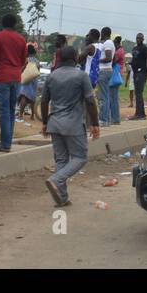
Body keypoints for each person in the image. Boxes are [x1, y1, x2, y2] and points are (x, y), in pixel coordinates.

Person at [41, 45, 100, 207]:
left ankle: (62, 197)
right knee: (80, 157)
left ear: (59, 58)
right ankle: (56, 179)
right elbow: (90, 101)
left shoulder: (51, 76)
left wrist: (45, 122)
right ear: (75, 58)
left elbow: (44, 100)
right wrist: (95, 123)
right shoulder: (81, 76)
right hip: (73, 124)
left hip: (54, 123)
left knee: (61, 159)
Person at [0, 13, 28, 152]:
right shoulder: (21, 39)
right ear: (15, 24)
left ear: (2, 23)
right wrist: (17, 71)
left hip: (1, 78)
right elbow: (24, 61)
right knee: (11, 111)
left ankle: (5, 144)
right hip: (16, 78)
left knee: (3, 111)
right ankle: (7, 141)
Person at [128, 33, 147, 119]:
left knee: (138, 93)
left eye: (140, 38)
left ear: (143, 39)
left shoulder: (144, 48)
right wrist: (131, 63)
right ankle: (139, 113)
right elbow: (135, 59)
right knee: (137, 92)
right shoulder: (134, 48)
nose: (138, 40)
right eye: (137, 38)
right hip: (135, 72)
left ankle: (140, 114)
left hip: (141, 72)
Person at [17, 43, 40, 120]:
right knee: (32, 98)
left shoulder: (26, 59)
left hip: (26, 80)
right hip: (34, 81)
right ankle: (32, 115)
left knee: (24, 96)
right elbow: (38, 71)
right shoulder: (37, 61)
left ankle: (20, 114)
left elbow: (22, 69)